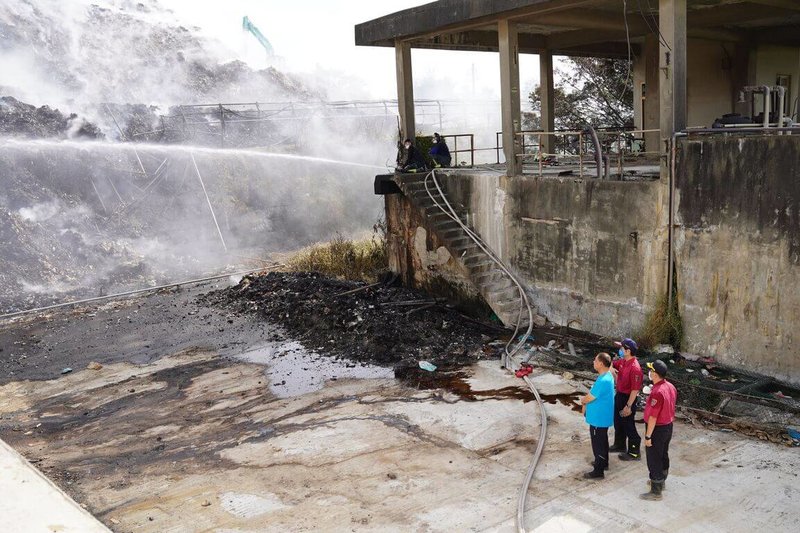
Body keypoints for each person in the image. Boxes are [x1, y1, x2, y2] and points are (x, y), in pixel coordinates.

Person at [640, 359, 678, 501]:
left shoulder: (657, 392)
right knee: (663, 454)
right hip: (668, 426)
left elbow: (653, 417)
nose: (649, 373)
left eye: (651, 370)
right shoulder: (670, 387)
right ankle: (661, 482)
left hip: (657, 429)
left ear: (655, 374)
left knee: (653, 458)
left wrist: (648, 436)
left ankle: (656, 491)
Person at [580, 352, 615, 479]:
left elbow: (591, 397)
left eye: (595, 360)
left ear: (601, 363)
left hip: (598, 418)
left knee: (598, 444)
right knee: (603, 440)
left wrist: (583, 401)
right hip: (602, 416)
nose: (593, 362)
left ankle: (598, 471)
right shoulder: (607, 375)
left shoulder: (603, 380)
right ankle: (603, 462)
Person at [610, 338, 643, 461]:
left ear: (628, 351)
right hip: (619, 395)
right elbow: (612, 365)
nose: (620, 350)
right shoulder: (623, 361)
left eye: (621, 348)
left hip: (628, 399)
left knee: (628, 425)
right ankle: (620, 445)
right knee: (618, 422)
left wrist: (628, 406)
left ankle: (634, 452)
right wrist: (612, 369)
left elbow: (635, 390)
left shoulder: (635, 368)